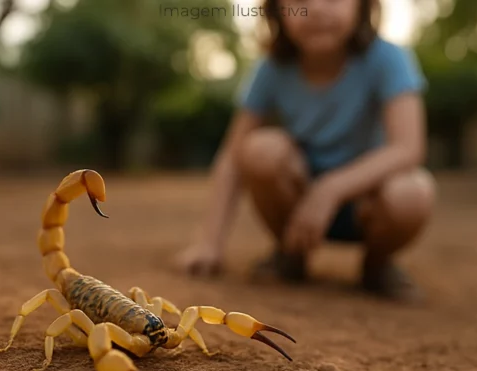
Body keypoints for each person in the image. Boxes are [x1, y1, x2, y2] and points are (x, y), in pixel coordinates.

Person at [174, 0, 436, 301]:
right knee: (260, 149)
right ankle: (291, 254)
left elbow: (408, 148)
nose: (317, 9)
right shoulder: (271, 68)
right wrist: (210, 243)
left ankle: (377, 264)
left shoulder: (389, 58)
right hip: (296, 204)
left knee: (413, 191)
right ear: (276, 11)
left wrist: (330, 189)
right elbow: (232, 158)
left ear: (363, 6)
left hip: (367, 206)